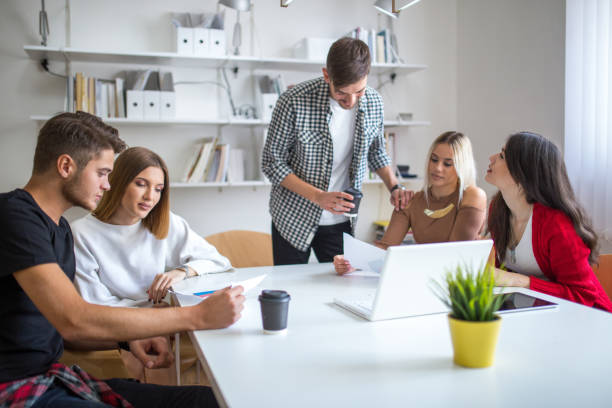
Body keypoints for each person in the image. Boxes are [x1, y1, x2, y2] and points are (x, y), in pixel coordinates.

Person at [0, 112, 244, 408]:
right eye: (102, 173)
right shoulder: (14, 216)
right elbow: (74, 320)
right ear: (66, 166)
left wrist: (127, 341)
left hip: (52, 377)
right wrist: (198, 316)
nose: (106, 185)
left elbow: (62, 332)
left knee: (206, 400)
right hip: (15, 386)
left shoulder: (59, 229)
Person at [261, 37, 412, 266]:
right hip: (292, 218)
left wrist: (394, 186)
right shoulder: (293, 101)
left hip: (342, 220)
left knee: (343, 287)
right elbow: (272, 162)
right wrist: (318, 196)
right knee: (289, 290)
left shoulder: (374, 102)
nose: (350, 101)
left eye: (359, 91)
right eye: (342, 93)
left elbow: (376, 151)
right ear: (326, 75)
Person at [72, 147, 231, 307]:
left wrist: (181, 272)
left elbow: (218, 261)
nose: (150, 197)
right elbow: (94, 304)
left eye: (158, 189)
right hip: (119, 326)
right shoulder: (81, 234)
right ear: (118, 182)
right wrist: (152, 315)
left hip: (164, 318)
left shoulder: (165, 221)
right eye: (141, 184)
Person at [485, 131, 612, 312]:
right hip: (539, 313)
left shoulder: (557, 224)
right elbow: (501, 276)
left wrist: (522, 281)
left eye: (502, 156)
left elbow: (583, 295)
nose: (492, 158)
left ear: (523, 173)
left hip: (590, 319)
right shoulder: (498, 209)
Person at [334, 131, 487, 274]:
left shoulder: (473, 196)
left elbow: (454, 254)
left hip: (460, 285)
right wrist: (352, 262)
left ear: (461, 166)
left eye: (448, 164)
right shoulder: (411, 201)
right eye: (434, 160)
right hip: (423, 278)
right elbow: (385, 249)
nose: (437, 168)